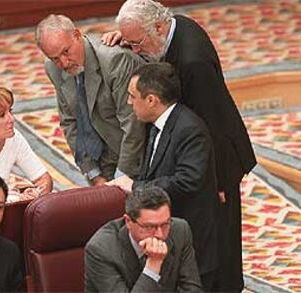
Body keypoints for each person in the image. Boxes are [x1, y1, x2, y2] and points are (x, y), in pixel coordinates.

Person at [103, 1, 257, 290]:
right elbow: (147, 39)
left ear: (158, 28)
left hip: (220, 157)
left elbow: (212, 120)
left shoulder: (193, 62)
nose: (134, 49)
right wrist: (126, 35)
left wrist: (217, 180)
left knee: (219, 242)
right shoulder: (174, 24)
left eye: (137, 42)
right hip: (199, 144)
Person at [108, 62, 219, 290]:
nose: (129, 102)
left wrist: (137, 187)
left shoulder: (190, 129)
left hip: (190, 238)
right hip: (164, 234)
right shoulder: (157, 123)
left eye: (132, 96)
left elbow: (187, 180)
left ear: (151, 100)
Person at [35, 14, 146, 186]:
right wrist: (94, 174)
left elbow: (133, 126)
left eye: (66, 52)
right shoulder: (53, 68)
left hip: (136, 159)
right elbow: (70, 122)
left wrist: (119, 178)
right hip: (101, 158)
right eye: (54, 58)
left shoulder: (114, 60)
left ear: (77, 36)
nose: (63, 63)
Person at [85, 186, 203, 292]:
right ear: (128, 222)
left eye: (165, 224)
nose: (160, 235)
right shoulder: (101, 249)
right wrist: (153, 264)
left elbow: (192, 289)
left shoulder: (180, 230)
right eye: (150, 227)